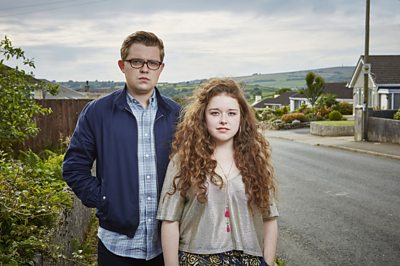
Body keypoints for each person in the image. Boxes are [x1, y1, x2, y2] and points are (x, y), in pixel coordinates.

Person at [62, 31, 181, 265]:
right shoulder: (97, 112)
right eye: (136, 61)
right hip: (116, 246)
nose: (145, 69)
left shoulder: (177, 114)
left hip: (166, 246)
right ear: (122, 65)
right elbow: (74, 168)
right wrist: (106, 200)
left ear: (161, 68)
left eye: (152, 63)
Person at [157, 78, 279, 266]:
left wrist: (268, 263)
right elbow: (169, 221)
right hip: (196, 260)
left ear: (241, 117)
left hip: (249, 260)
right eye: (215, 113)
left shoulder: (256, 160)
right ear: (202, 117)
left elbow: (270, 219)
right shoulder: (183, 160)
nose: (223, 120)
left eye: (231, 113)